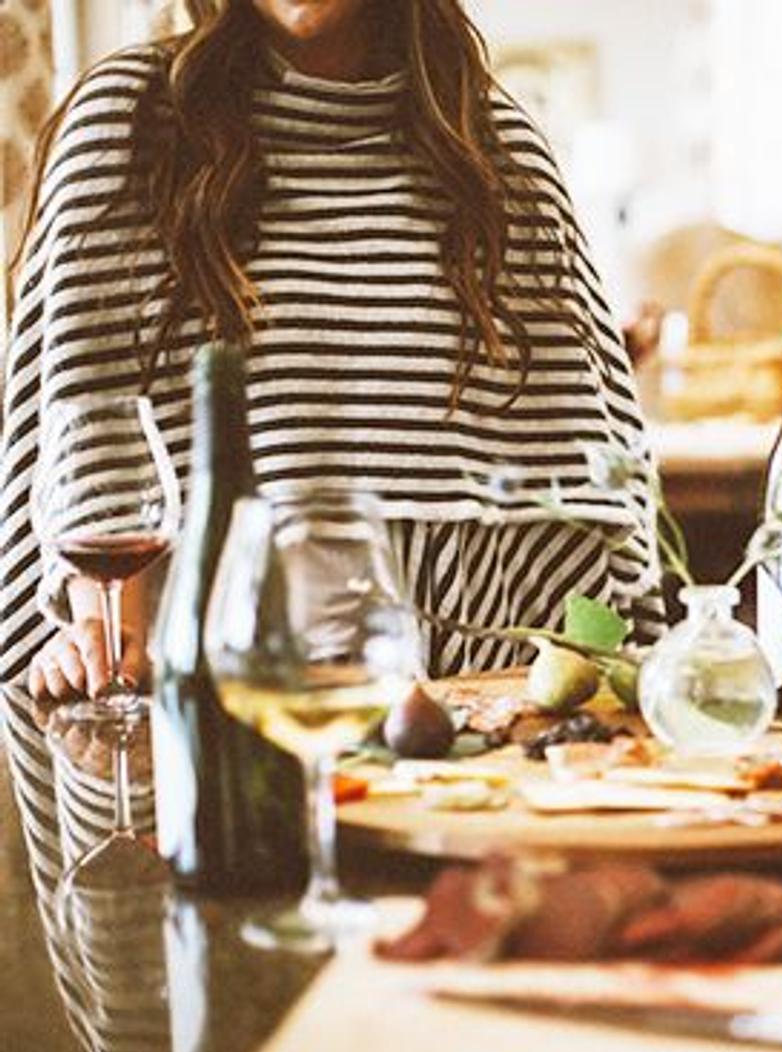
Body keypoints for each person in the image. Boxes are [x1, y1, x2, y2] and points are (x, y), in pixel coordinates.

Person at [4, 0, 663, 702]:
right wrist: (105, 633)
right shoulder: (131, 121)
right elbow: (92, 422)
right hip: (219, 706)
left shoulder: (498, 148)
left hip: (471, 704)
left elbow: (581, 478)